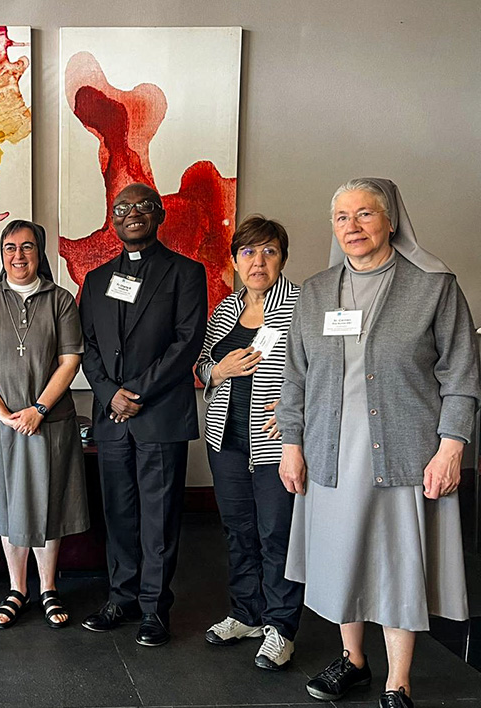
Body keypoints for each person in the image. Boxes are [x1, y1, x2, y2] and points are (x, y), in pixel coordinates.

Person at [278, 178, 480, 708]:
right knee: (343, 559)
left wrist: (452, 446)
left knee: (395, 566)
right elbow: (294, 377)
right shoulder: (316, 291)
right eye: (342, 217)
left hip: (404, 452)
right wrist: (291, 444)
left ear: (391, 221)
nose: (353, 226)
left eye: (366, 214)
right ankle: (354, 661)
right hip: (331, 452)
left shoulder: (434, 286)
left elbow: (461, 374)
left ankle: (399, 680)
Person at [79, 182, 207, 646]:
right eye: (122, 208)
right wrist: (111, 393)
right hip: (112, 419)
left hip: (159, 415)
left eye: (142, 206)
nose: (131, 213)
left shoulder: (186, 273)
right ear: (113, 219)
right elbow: (86, 346)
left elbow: (187, 342)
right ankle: (122, 597)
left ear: (159, 216)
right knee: (120, 513)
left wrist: (135, 392)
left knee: (159, 515)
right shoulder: (94, 281)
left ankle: (155, 608)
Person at [0, 219, 89, 629]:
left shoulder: (62, 300)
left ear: (40, 252)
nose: (19, 256)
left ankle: (49, 588)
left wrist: (38, 410)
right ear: (1, 254)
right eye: (11, 247)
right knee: (7, 506)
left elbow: (70, 360)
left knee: (47, 504)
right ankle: (18, 588)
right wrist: (4, 415)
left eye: (28, 247)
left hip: (48, 422)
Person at [195, 215, 303, 670]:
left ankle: (281, 628)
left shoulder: (301, 304)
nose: (258, 261)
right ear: (235, 260)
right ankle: (247, 614)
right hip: (225, 439)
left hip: (276, 443)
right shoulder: (225, 307)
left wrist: (297, 414)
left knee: (276, 534)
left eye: (269, 251)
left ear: (281, 258)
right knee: (238, 531)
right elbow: (202, 363)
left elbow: (322, 368)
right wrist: (217, 371)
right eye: (249, 252)